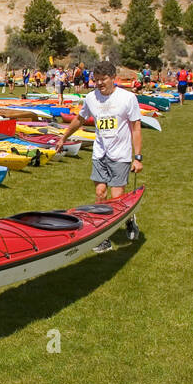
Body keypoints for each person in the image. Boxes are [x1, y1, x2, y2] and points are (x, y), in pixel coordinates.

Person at [54, 60, 142, 251]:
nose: (100, 83)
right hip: (100, 153)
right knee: (100, 193)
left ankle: (128, 219)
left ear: (113, 78)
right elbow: (80, 119)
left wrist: (138, 157)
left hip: (121, 155)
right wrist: (63, 137)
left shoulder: (127, 99)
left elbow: (136, 127)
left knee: (116, 198)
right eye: (96, 80)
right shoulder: (92, 98)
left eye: (104, 79)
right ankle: (102, 237)